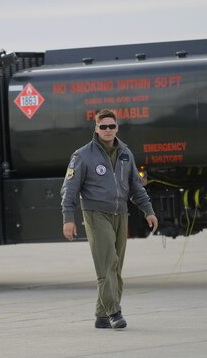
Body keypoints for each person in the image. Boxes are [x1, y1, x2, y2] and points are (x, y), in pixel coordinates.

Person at [61, 109, 158, 329]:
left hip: (120, 213)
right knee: (107, 264)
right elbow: (69, 189)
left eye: (111, 126)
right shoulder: (82, 155)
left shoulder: (125, 153)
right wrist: (68, 218)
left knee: (116, 267)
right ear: (96, 129)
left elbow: (136, 186)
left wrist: (148, 210)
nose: (107, 130)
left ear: (117, 128)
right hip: (96, 214)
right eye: (103, 126)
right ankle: (114, 311)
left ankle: (101, 315)